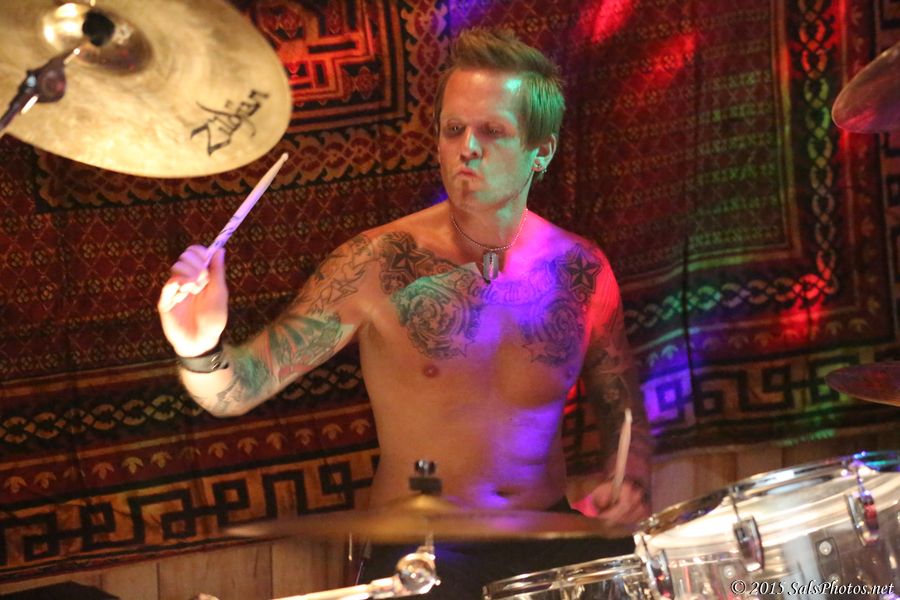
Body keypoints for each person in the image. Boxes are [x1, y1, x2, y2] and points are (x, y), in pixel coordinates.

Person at [158, 27, 652, 599]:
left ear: (541, 151)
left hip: (546, 542)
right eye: (453, 129)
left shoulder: (582, 269)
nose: (467, 147)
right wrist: (197, 345)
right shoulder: (375, 262)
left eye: (492, 131)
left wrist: (632, 477)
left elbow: (622, 407)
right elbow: (237, 390)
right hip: (424, 553)